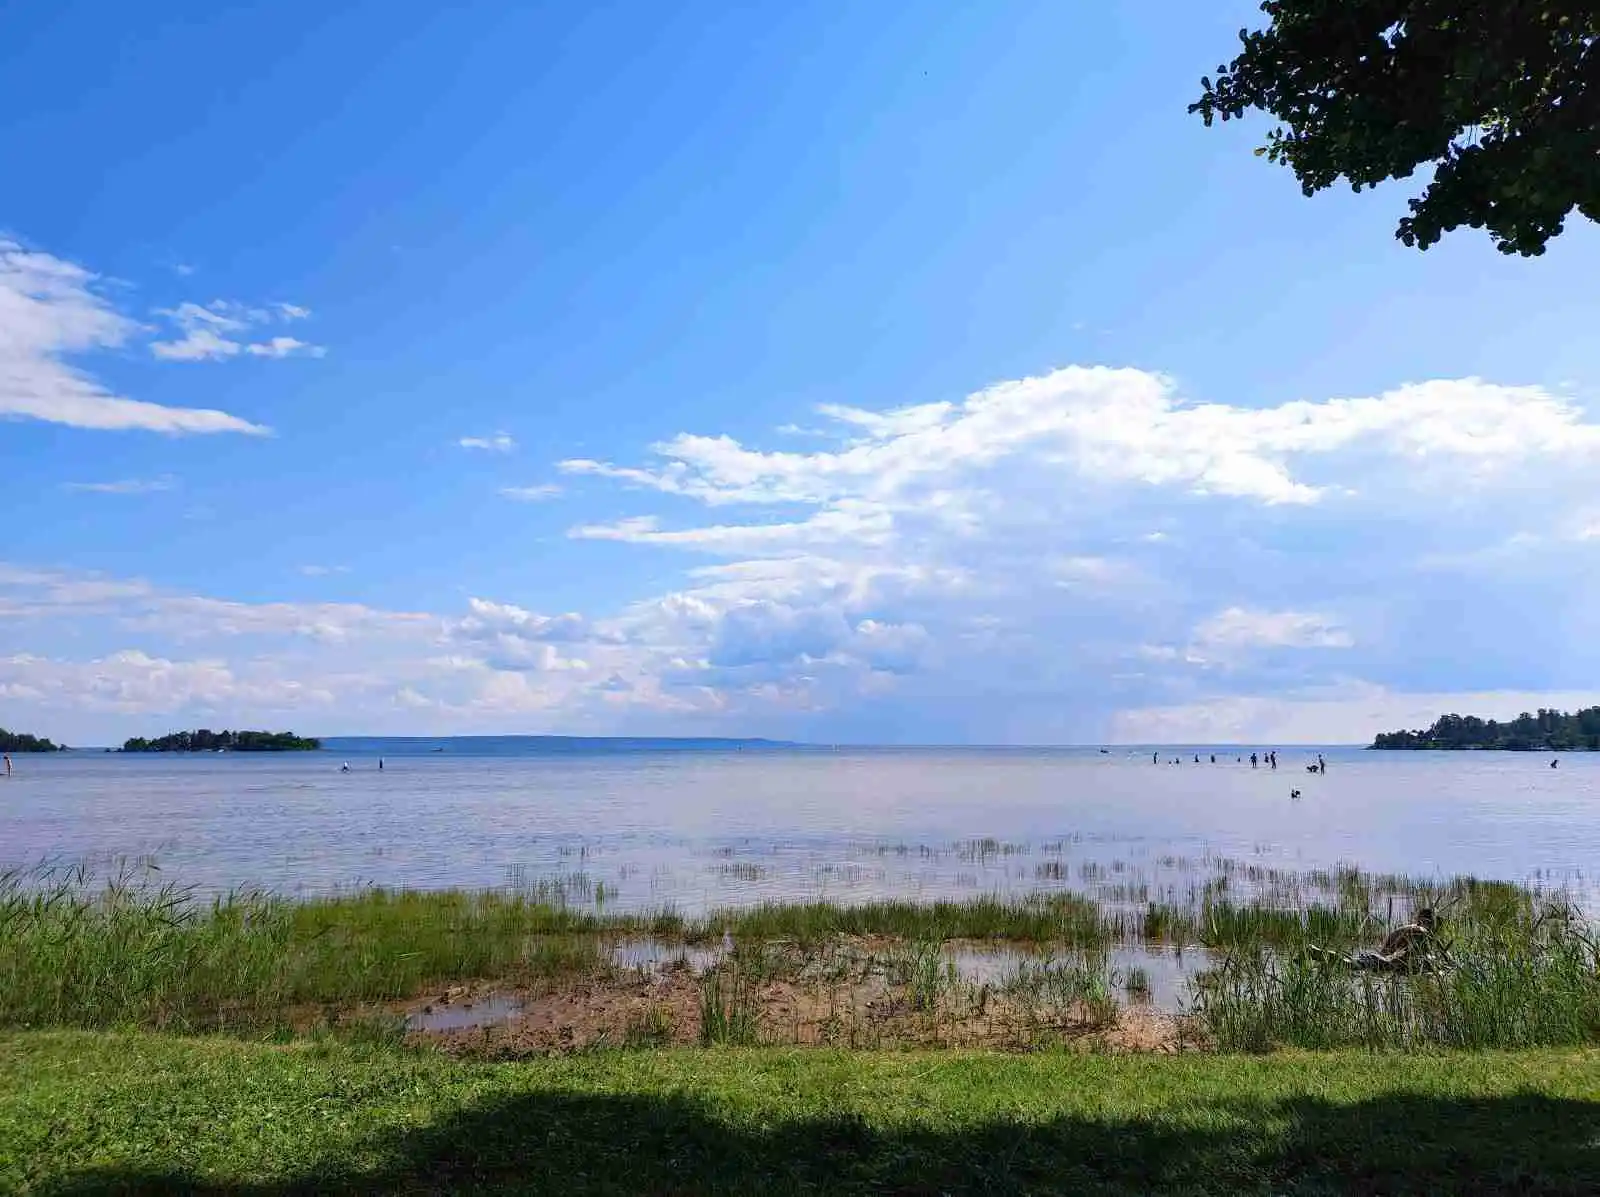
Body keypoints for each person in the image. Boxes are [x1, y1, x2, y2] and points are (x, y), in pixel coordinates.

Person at [1311, 909, 1438, 971]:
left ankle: (1317, 956)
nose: (1433, 927)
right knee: (1348, 964)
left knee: (1348, 963)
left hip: (1378, 958)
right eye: (1432, 923)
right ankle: (1315, 952)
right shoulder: (1421, 931)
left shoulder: (1411, 929)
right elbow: (1421, 955)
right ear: (1428, 921)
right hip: (1380, 962)